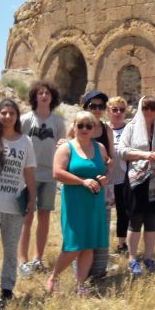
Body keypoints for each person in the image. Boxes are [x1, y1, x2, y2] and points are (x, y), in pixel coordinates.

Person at [0, 99, 36, 310]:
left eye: (11, 113)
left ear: (17, 116)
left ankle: (7, 290)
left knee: (11, 250)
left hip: (14, 205)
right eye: (3, 113)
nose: (7, 117)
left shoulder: (25, 142)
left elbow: (29, 171)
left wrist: (32, 199)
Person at [46, 111, 109, 296]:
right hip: (75, 201)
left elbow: (104, 172)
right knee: (74, 245)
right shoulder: (66, 148)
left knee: (89, 244)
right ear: (74, 126)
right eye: (80, 125)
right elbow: (57, 173)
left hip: (94, 201)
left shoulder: (100, 148)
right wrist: (83, 181)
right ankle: (54, 276)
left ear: (94, 129)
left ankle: (80, 285)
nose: (84, 129)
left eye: (88, 126)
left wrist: (102, 179)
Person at [116, 95, 155, 277]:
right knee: (136, 220)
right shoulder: (131, 128)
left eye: (153, 108)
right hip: (136, 181)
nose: (149, 112)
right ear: (140, 109)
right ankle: (132, 258)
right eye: (146, 108)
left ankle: (149, 257)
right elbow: (122, 151)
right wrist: (144, 155)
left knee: (151, 221)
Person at [65, 91, 116, 282]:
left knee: (100, 227)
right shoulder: (76, 126)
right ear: (85, 107)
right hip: (79, 187)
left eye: (100, 106)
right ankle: (80, 274)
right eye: (92, 106)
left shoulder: (106, 129)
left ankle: (98, 271)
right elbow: (66, 151)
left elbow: (111, 158)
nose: (96, 109)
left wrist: (107, 173)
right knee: (81, 229)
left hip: (101, 187)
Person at [18, 80, 67, 276]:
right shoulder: (26, 120)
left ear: (52, 97)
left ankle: (38, 257)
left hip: (49, 174)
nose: (44, 96)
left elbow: (62, 146)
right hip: (29, 174)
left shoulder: (58, 123)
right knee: (27, 217)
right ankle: (23, 260)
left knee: (44, 216)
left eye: (47, 93)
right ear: (35, 97)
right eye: (40, 93)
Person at [107, 96, 131, 255]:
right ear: (108, 111)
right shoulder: (101, 128)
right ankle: (100, 245)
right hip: (106, 177)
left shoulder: (130, 129)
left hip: (124, 176)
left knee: (124, 211)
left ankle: (122, 244)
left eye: (121, 110)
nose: (118, 113)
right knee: (104, 211)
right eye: (114, 109)